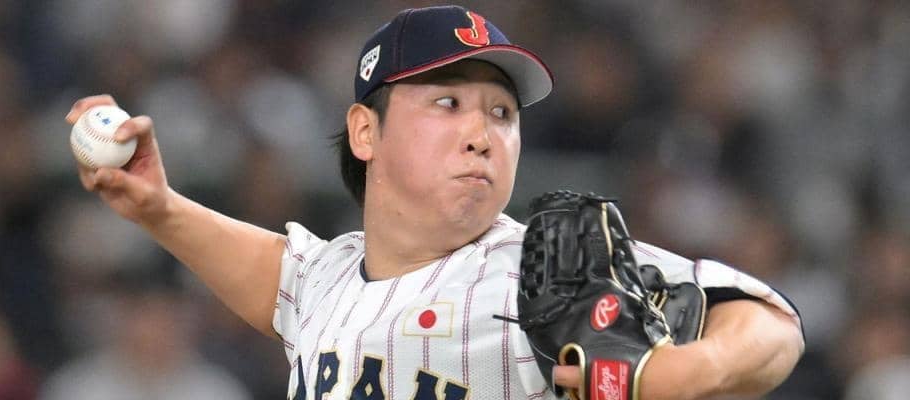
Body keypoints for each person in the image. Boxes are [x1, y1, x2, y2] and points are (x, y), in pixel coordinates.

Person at [69, 5, 804, 399]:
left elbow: (769, 321)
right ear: (366, 131)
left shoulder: (540, 268)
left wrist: (687, 373)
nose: (482, 134)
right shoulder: (328, 276)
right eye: (448, 103)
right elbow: (274, 278)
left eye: (501, 114)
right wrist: (158, 207)